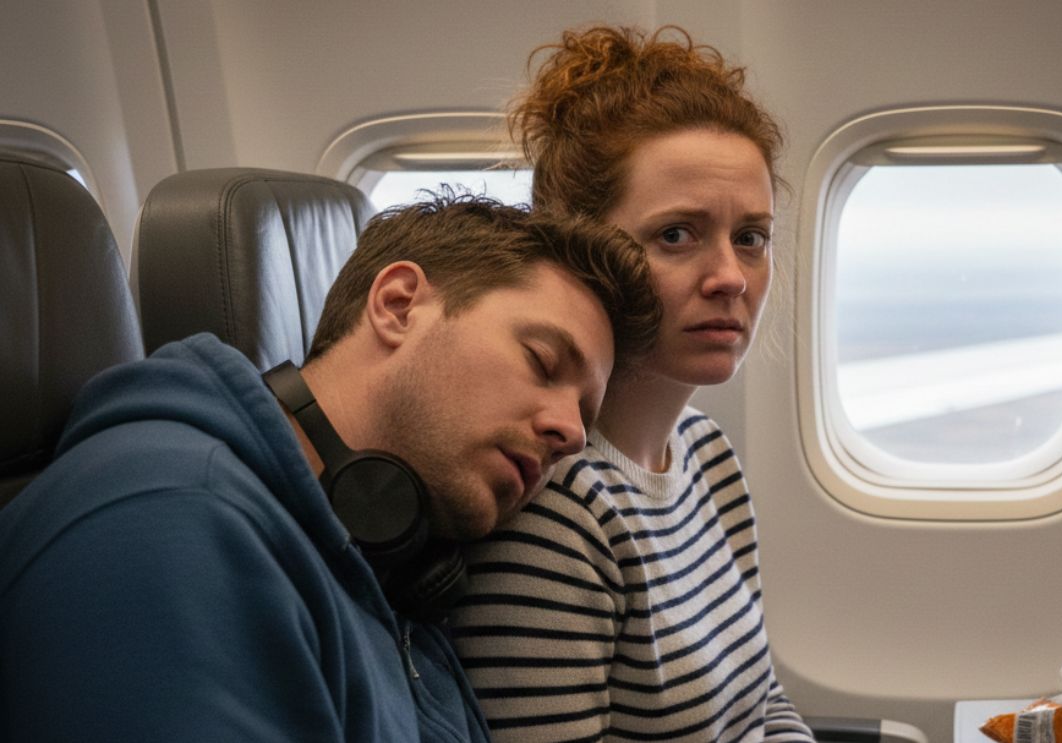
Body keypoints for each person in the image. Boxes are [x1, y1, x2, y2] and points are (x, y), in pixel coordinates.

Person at [0, 194, 660, 742]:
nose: (571, 433)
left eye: (583, 411)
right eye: (543, 362)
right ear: (399, 305)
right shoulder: (169, 529)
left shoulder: (386, 560)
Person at [448, 26, 816, 742]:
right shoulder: (553, 512)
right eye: (676, 234)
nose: (731, 277)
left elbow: (763, 702)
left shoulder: (706, 454)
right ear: (583, 251)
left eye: (750, 236)